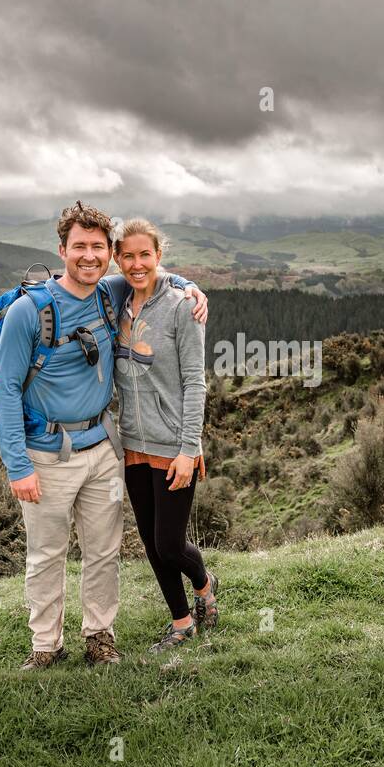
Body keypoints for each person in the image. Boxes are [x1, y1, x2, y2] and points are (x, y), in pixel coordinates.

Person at [0, 201, 207, 669]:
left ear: (108, 252)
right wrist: (17, 464)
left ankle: (100, 637)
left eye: (97, 247)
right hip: (45, 455)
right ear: (61, 250)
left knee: (104, 553)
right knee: (47, 555)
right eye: (79, 247)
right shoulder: (29, 312)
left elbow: (149, 273)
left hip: (104, 449)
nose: (89, 256)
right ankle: (46, 645)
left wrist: (189, 285)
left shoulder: (108, 292)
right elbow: (6, 390)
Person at [112, 218, 218, 655]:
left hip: (173, 446)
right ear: (118, 259)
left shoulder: (182, 307)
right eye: (129, 256)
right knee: (151, 546)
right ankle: (181, 623)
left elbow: (196, 383)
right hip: (132, 444)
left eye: (146, 255)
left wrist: (188, 450)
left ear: (159, 255)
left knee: (169, 544)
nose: (137, 264)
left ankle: (205, 582)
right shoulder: (115, 301)